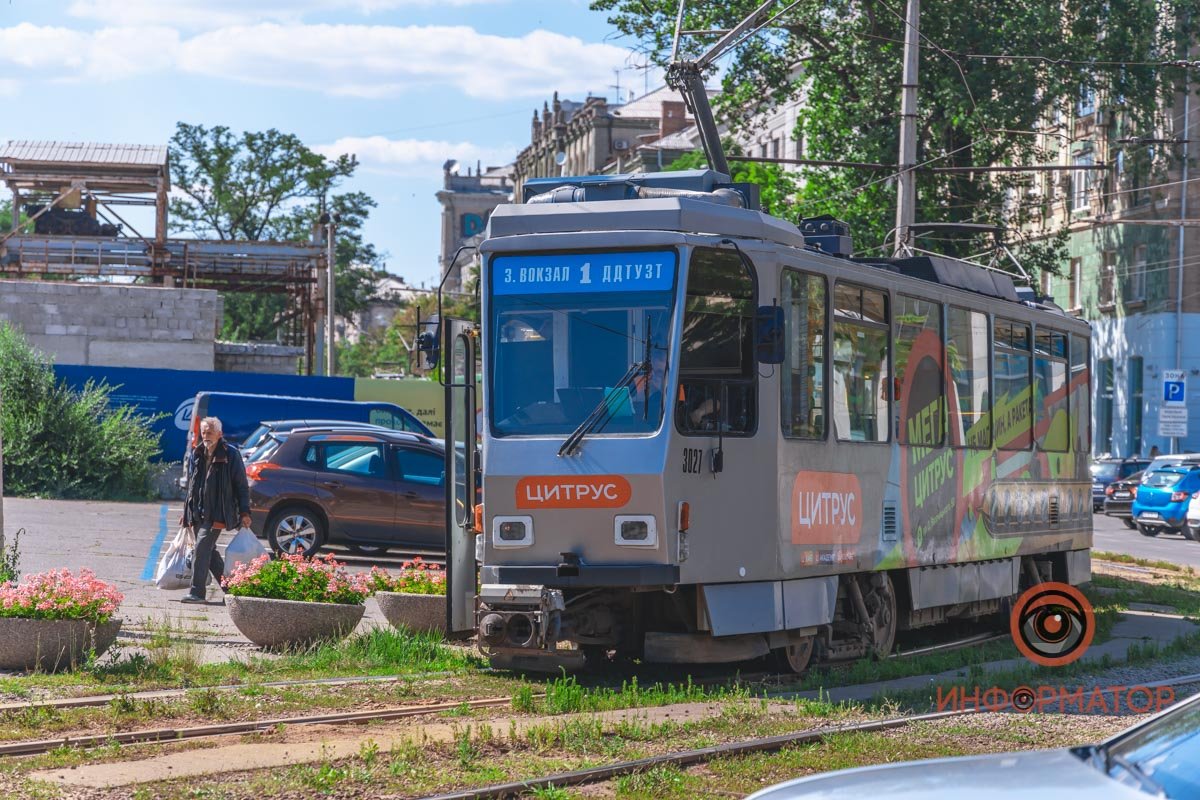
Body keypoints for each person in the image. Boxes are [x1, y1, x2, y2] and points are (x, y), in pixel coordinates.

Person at [180, 416, 251, 604]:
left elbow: (241, 486)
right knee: (209, 553)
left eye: (210, 433)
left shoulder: (231, 455)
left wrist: (245, 512)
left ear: (219, 434)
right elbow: (192, 486)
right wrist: (186, 512)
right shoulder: (197, 453)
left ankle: (197, 592)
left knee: (202, 548)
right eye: (203, 432)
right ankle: (233, 590)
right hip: (198, 512)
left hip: (218, 513)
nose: (206, 436)